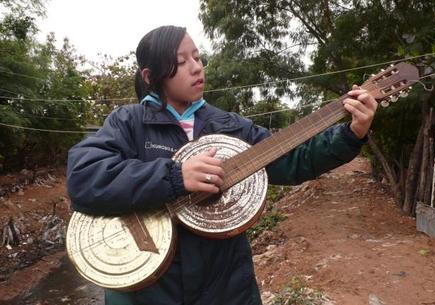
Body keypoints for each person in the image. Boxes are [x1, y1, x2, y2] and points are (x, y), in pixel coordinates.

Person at [66, 25, 377, 305]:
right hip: (145, 292)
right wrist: (175, 176)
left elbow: (294, 160)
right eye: (182, 60)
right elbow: (84, 178)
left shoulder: (231, 127)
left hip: (226, 287)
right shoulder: (128, 122)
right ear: (151, 76)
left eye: (197, 57)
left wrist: (350, 134)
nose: (196, 67)